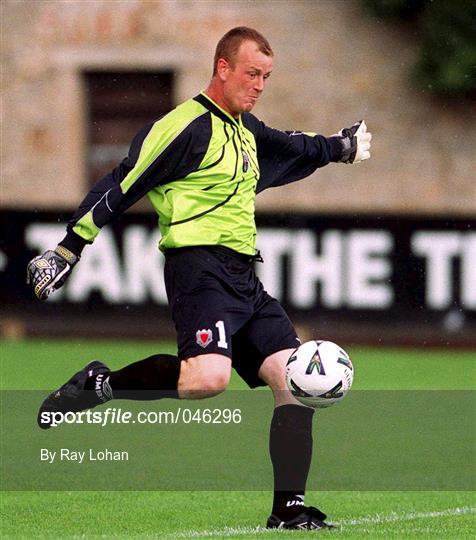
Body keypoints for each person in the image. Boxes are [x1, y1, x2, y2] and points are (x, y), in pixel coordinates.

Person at [27, 26, 371, 530]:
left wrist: (338, 147)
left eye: (267, 77)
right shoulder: (185, 126)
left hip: (243, 275)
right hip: (199, 269)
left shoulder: (244, 129)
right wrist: (69, 246)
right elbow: (124, 180)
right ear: (222, 67)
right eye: (251, 73)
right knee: (206, 381)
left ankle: (288, 510)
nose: (258, 85)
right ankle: (99, 384)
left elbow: (291, 147)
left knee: (292, 379)